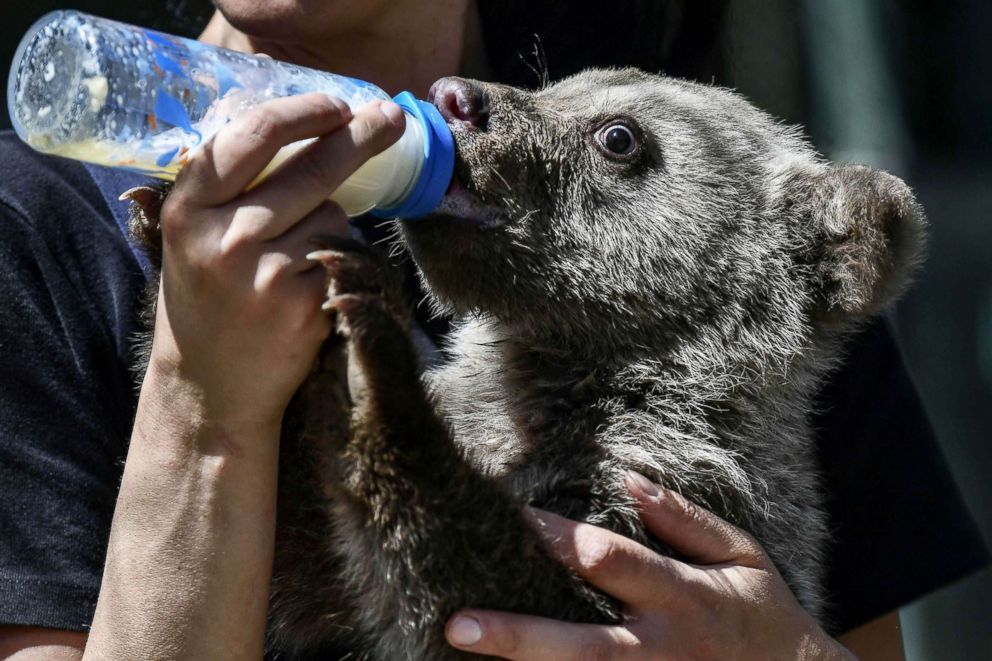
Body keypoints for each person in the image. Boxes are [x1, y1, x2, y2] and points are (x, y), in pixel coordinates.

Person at [0, 1, 987, 659]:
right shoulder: (37, 236)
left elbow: (489, 595)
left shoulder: (756, 266)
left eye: (611, 146)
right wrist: (204, 407)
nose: (463, 113)